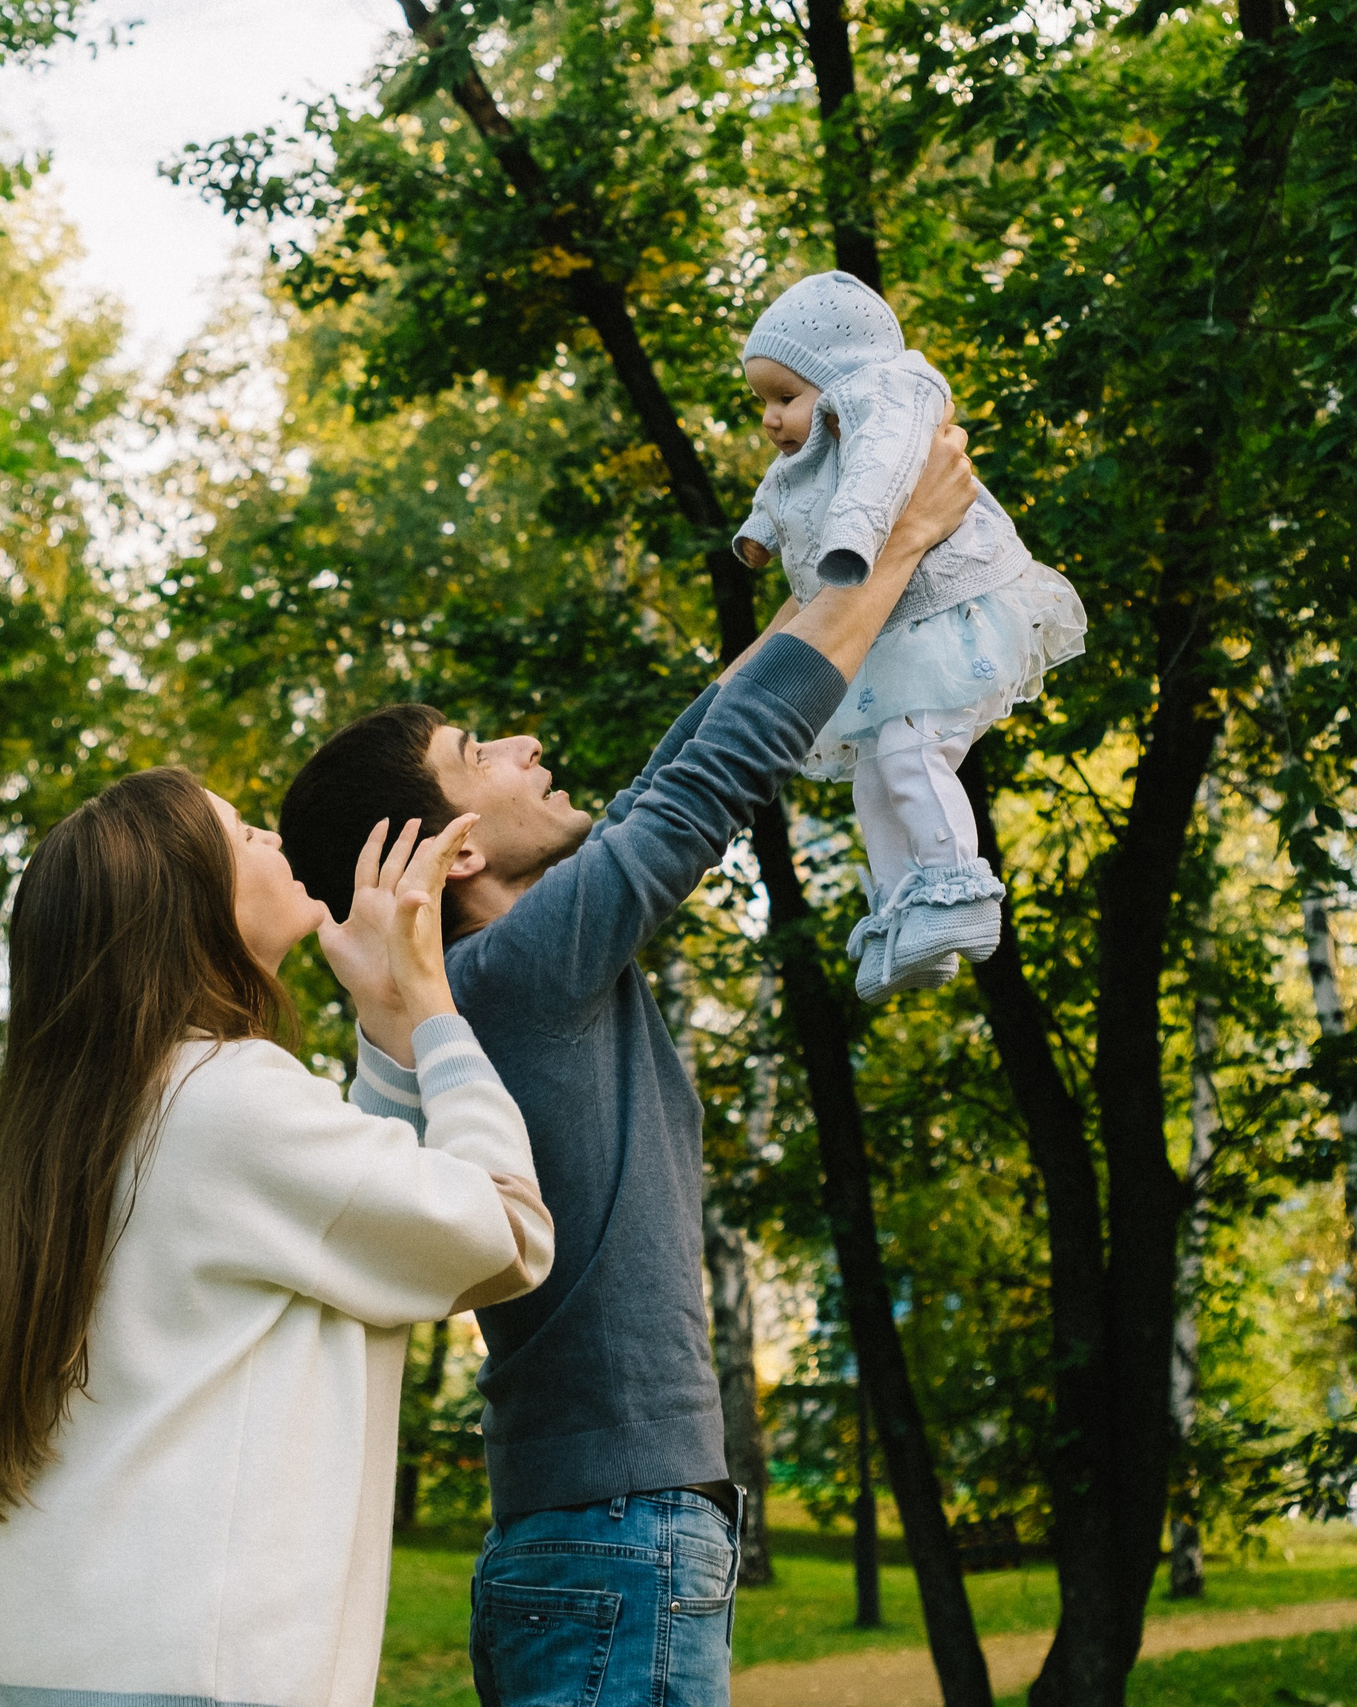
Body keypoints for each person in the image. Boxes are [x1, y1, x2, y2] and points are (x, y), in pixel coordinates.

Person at [275, 426, 981, 1707]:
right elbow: (711, 774)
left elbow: (688, 746)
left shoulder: (505, 979)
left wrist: (839, 557)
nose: (524, 749)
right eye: (476, 755)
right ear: (457, 858)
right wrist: (903, 545)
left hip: (596, 1534)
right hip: (618, 1535)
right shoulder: (511, 974)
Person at [0, 766, 553, 1707]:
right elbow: (503, 1230)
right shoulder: (228, 1096)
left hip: (62, 1658)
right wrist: (432, 1008)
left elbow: (343, 1229)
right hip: (205, 1674)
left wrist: (382, 1021)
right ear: (187, 908)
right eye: (241, 834)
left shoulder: (92, 1115)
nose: (271, 837)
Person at [736, 269, 1088, 1001]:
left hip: (948, 613)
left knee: (911, 751)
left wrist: (852, 538)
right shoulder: (809, 450)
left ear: (840, 383)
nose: (771, 419)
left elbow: (878, 475)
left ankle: (961, 894)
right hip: (894, 638)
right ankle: (904, 911)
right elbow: (779, 495)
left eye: (786, 398)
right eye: (762, 401)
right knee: (874, 774)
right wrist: (757, 538)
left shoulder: (887, 401)